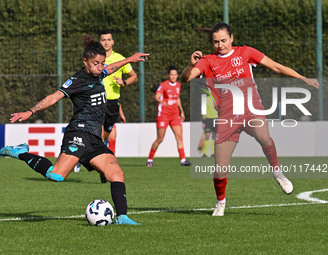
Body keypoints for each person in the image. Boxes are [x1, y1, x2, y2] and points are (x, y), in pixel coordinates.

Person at [0, 35, 149, 224]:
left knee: (116, 174)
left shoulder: (99, 74)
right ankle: (20, 152)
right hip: (78, 134)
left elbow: (111, 69)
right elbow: (54, 97)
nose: (100, 67)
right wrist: (31, 111)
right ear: (85, 61)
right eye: (96, 63)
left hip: (95, 138)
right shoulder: (77, 80)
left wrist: (129, 59)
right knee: (56, 176)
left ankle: (122, 217)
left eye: (102, 63)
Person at [181, 22, 319, 216]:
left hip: (251, 110)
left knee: (264, 137)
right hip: (227, 117)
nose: (220, 45)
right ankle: (220, 202)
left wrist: (303, 78)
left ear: (231, 38)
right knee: (220, 169)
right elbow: (185, 78)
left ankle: (277, 172)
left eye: (223, 40)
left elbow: (276, 67)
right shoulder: (208, 60)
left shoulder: (245, 53)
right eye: (215, 42)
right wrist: (190, 65)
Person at [74, 30, 137, 183]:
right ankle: (86, 159)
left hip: (112, 104)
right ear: (99, 42)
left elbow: (134, 76)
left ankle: (89, 158)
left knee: (104, 136)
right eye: (103, 40)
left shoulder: (120, 59)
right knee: (96, 134)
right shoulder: (94, 59)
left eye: (109, 39)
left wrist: (124, 83)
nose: (106, 42)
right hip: (95, 102)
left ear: (113, 41)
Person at [147, 66, 191, 167]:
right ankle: (149, 159)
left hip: (175, 115)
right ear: (168, 75)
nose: (173, 76)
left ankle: (183, 160)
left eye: (175, 75)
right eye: (171, 74)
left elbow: (177, 98)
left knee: (179, 138)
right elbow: (157, 96)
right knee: (160, 139)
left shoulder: (178, 85)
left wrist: (182, 111)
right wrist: (161, 101)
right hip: (164, 115)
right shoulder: (163, 85)